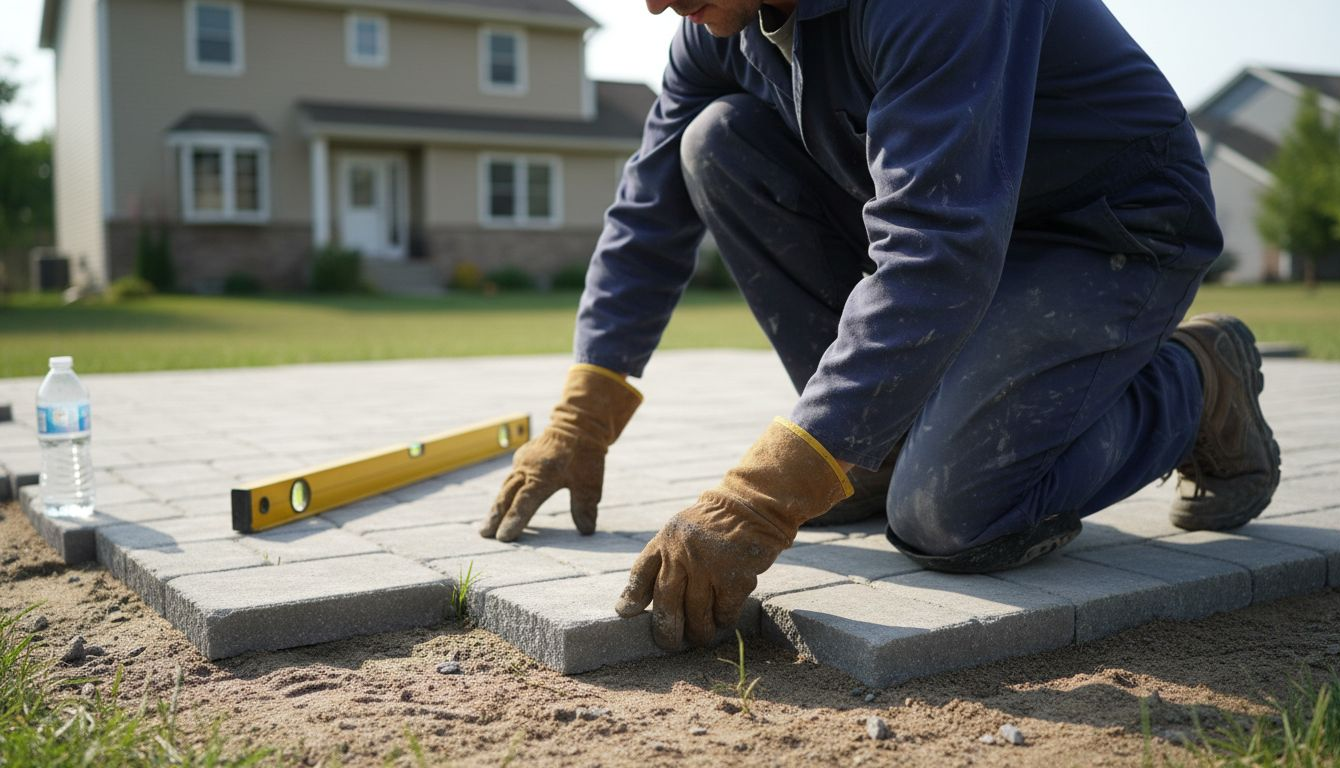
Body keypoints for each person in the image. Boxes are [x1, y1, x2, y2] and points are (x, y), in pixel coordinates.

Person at [478, 0, 1280, 652]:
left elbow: (937, 253)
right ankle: (869, 448)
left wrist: (762, 497)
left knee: (951, 519)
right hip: (961, 231)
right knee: (715, 142)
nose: (653, 5)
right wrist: (585, 413)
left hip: (1104, 232)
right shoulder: (717, 27)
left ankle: (1198, 380)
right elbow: (647, 210)